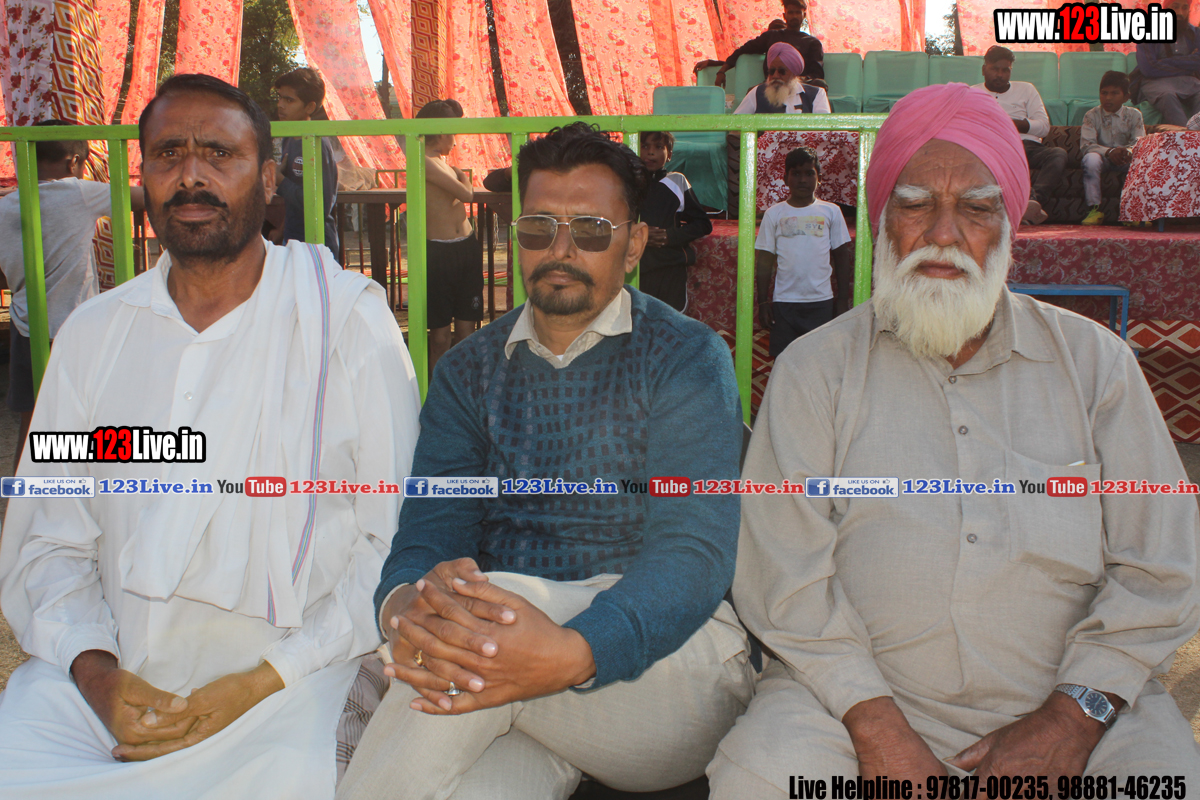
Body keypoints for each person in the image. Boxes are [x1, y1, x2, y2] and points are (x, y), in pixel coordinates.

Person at [708, 83, 1200, 798]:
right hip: (847, 703)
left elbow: (1162, 566)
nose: (943, 234)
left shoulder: (1097, 366)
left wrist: (1070, 720)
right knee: (761, 779)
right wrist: (876, 726)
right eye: (915, 205)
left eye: (976, 209)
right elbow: (783, 576)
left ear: (1009, 226)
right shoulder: (815, 371)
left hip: (1075, 704)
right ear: (882, 221)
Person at [0, 74, 422, 799]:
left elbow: (393, 541)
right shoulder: (94, 338)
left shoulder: (346, 323)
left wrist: (263, 680)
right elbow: (48, 539)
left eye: (218, 154)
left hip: (295, 679)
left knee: (292, 780)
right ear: (144, 175)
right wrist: (98, 676)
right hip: (112, 681)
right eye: (169, 154)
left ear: (267, 179)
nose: (191, 175)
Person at [337, 122, 754, 799]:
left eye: (590, 229)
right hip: (504, 681)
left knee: (486, 616)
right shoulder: (468, 371)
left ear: (634, 245)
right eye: (539, 228)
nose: (561, 250)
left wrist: (572, 651)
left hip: (668, 664)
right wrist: (406, 608)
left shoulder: (684, 358)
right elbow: (428, 535)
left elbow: (693, 553)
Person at [0, 120, 145, 469]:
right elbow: (145, 198)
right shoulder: (78, 192)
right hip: (76, 325)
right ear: (74, 162)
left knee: (32, 422)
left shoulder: (7, 205)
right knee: (89, 416)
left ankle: (25, 493)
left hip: (26, 325)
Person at [755, 147, 852, 359]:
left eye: (809, 173)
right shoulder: (774, 214)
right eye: (796, 173)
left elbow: (842, 257)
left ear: (819, 179)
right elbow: (764, 261)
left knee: (820, 361)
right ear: (785, 178)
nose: (802, 180)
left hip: (821, 302)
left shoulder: (831, 211)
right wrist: (762, 302)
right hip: (784, 303)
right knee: (784, 361)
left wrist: (842, 300)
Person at [416, 100, 483, 370]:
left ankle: (464, 387)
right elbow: (466, 194)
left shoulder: (442, 163)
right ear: (442, 132)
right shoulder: (423, 160)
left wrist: (457, 173)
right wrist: (463, 176)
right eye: (453, 132)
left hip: (465, 246)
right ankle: (438, 388)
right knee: (440, 337)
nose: (455, 141)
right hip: (439, 252)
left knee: (467, 331)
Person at [974, 46, 1066, 225]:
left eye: (1005, 70)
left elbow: (1044, 127)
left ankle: (1034, 201)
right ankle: (1027, 207)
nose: (1000, 75)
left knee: (1058, 154)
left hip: (1028, 146)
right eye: (995, 69)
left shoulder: (1027, 89)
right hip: (994, 148)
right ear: (984, 70)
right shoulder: (973, 94)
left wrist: (1014, 124)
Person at [637, 131, 712, 312]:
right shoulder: (627, 183)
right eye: (645, 146)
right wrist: (636, 233)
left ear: (669, 154)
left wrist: (669, 236)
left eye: (658, 147)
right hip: (637, 265)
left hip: (670, 267)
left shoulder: (677, 181)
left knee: (671, 318)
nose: (651, 152)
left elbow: (702, 224)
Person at [274, 67, 340, 258]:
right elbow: (293, 201)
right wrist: (281, 230)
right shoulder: (289, 138)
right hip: (293, 240)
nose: (280, 105)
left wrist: (280, 181)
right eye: (280, 98)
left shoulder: (316, 143)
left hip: (318, 244)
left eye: (289, 100)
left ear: (310, 107)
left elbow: (321, 205)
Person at [1080, 72, 1145, 226]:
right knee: (1090, 158)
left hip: (1124, 158)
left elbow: (1139, 141)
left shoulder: (1134, 115)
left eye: (1114, 93)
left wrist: (1128, 151)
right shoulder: (1091, 115)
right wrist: (1109, 152)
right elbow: (1087, 145)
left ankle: (1133, 213)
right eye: (1104, 93)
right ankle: (1094, 209)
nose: (1108, 98)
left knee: (1142, 160)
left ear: (1126, 97)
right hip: (1102, 158)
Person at [716, 0, 824, 88]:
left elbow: (817, 74)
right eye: (791, 13)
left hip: (799, 86)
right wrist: (721, 71)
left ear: (804, 15)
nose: (794, 16)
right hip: (772, 84)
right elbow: (743, 50)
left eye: (798, 12)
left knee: (820, 84)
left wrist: (791, 80)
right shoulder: (771, 36)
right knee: (752, 92)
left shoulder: (813, 43)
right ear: (784, 15)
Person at [1134, 0, 1200, 127]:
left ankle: (1195, 135)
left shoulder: (1195, 33)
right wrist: (1188, 63)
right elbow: (1149, 68)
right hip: (1155, 82)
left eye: (1185, 8)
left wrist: (1167, 62)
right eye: (1175, 7)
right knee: (1167, 96)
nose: (1180, 13)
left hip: (1190, 82)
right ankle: (1185, 135)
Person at [733, 42, 831, 115]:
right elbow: (736, 125)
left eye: (782, 71)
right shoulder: (756, 93)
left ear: (794, 74)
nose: (775, 76)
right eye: (772, 71)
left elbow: (824, 128)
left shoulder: (817, 94)